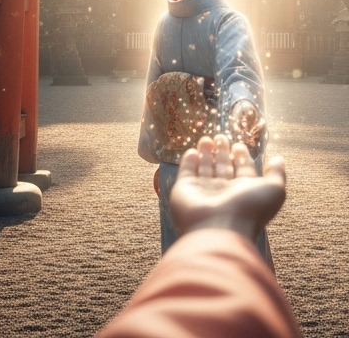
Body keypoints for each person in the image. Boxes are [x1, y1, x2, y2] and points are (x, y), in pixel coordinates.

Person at [137, 0, 269, 257]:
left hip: (174, 169)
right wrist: (243, 111)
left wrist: (158, 154)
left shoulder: (165, 22)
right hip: (219, 164)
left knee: (181, 266)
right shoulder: (227, 20)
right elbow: (238, 74)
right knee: (233, 267)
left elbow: (155, 92)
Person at [97, 135, 300, 338]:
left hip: (179, 172)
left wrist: (207, 228)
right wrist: (227, 226)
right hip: (239, 167)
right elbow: (259, 138)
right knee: (254, 257)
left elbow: (147, 148)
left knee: (177, 254)